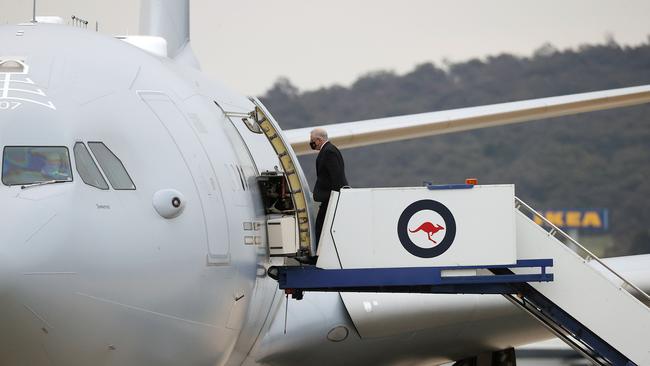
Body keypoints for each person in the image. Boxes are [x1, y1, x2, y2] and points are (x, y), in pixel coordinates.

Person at [310, 128, 348, 250]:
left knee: (321, 226)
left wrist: (336, 197)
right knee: (321, 225)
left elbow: (336, 176)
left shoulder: (328, 152)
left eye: (312, 141)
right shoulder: (329, 150)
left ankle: (318, 255)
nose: (311, 143)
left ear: (319, 140)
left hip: (331, 197)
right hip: (330, 196)